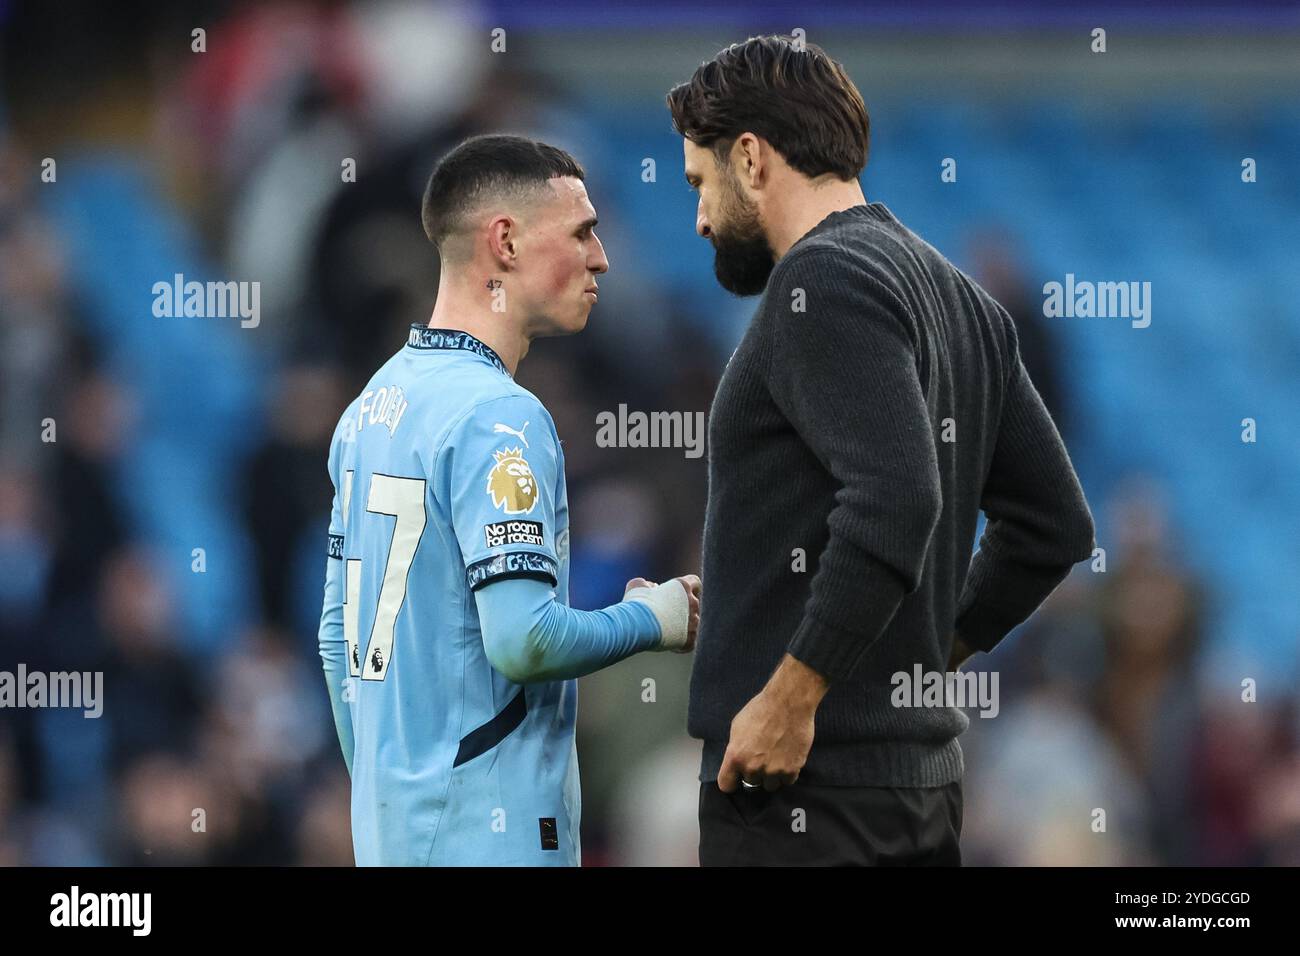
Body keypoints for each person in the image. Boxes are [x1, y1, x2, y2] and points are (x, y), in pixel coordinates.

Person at [666, 36, 1095, 866]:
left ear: (750, 158)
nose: (699, 217)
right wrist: (923, 656)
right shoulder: (962, 297)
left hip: (807, 796)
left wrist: (795, 695)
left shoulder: (817, 283)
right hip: (916, 789)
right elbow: (1055, 528)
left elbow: (897, 499)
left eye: (699, 181)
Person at [317, 134, 700, 866]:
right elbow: (523, 640)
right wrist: (655, 618)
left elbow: (339, 643)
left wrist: (389, 796)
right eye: (584, 232)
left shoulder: (371, 407)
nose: (602, 258)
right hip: (490, 833)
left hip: (393, 833)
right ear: (505, 241)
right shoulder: (501, 418)